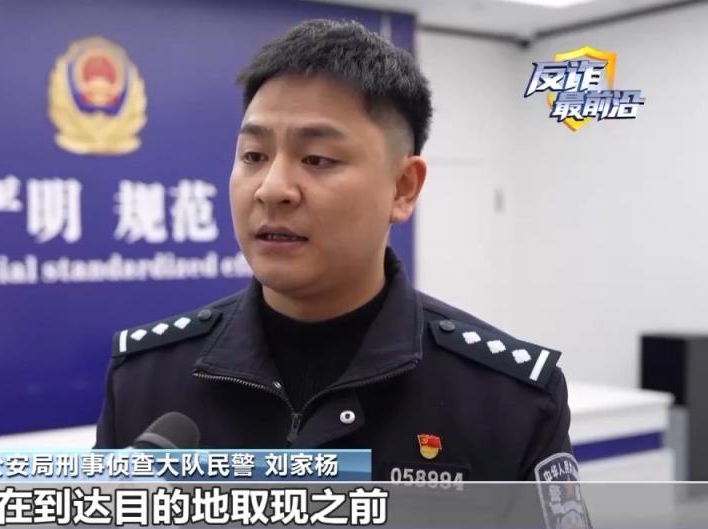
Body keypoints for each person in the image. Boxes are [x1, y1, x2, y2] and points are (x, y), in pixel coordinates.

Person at [94, 18, 577, 482]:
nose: (272, 188)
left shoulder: (510, 401)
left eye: (317, 159)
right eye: (254, 156)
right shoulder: (144, 381)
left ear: (403, 187)